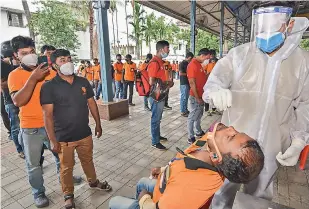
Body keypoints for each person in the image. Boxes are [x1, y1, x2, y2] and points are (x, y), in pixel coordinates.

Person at [203, 2, 309, 209]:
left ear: (288, 25)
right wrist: (216, 92)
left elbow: (306, 104)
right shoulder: (239, 55)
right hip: (232, 145)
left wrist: (299, 141)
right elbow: (212, 85)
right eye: (263, 25)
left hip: (272, 146)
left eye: (274, 25)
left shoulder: (302, 62)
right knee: (221, 190)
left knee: (258, 198)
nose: (267, 32)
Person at [109, 123, 265, 209]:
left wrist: (144, 199)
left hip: (158, 202)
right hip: (166, 186)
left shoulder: (190, 186)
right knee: (142, 182)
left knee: (114, 201)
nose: (230, 128)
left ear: (216, 156)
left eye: (230, 137)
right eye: (237, 132)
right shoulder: (210, 147)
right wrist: (165, 171)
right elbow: (184, 159)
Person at [41, 49, 112, 209]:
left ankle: (93, 181)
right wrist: (52, 140)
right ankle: (68, 195)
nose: (67, 63)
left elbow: (92, 103)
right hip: (63, 137)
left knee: (88, 160)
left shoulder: (83, 82)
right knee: (66, 168)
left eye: (68, 58)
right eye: (61, 60)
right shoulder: (49, 87)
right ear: (54, 65)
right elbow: (47, 116)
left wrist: (98, 124)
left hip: (84, 133)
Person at [7, 35, 59, 207]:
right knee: (34, 165)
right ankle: (38, 192)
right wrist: (33, 78)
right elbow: (18, 101)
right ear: (16, 56)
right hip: (31, 128)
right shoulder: (14, 75)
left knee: (61, 156)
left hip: (52, 124)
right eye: (24, 53)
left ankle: (65, 178)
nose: (30, 55)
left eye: (32, 51)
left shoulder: (49, 72)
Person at [148, 41, 173, 150]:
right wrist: (167, 83)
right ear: (161, 49)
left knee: (158, 118)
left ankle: (157, 136)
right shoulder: (154, 63)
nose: (168, 50)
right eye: (167, 48)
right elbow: (151, 81)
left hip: (161, 94)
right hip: (156, 95)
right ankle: (155, 141)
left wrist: (167, 83)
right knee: (155, 118)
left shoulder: (160, 62)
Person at [1, 41, 24, 158]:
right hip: (10, 101)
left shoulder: (20, 62)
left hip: (24, 98)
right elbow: (2, 84)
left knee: (25, 126)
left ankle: (28, 145)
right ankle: (20, 149)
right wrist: (15, 81)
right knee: (15, 127)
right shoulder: (2, 65)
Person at [187, 48, 211, 144]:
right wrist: (197, 97)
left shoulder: (198, 64)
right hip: (195, 96)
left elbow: (201, 77)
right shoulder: (192, 65)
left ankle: (198, 131)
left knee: (199, 115)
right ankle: (190, 136)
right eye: (207, 58)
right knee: (192, 116)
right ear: (202, 56)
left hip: (201, 95)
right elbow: (192, 82)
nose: (208, 60)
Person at [179, 52, 194, 117]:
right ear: (190, 58)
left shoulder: (188, 63)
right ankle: (183, 111)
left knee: (186, 97)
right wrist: (189, 75)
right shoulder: (182, 63)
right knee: (184, 97)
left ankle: (185, 109)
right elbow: (181, 73)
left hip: (187, 82)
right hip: (184, 83)